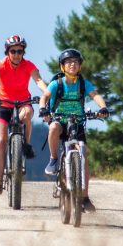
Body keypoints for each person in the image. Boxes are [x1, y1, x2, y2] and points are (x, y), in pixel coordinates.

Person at [39, 48, 109, 212]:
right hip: (60, 120)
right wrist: (43, 108)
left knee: (83, 154)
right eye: (69, 62)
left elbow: (95, 95)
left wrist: (103, 107)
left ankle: (84, 197)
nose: (73, 64)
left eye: (76, 62)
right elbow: (45, 96)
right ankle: (54, 159)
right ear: (62, 66)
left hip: (77, 122)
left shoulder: (84, 83)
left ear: (80, 65)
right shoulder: (57, 83)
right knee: (54, 127)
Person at [0, 35, 49, 194]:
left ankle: (26, 145)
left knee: (26, 116)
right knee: (0, 140)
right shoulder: (1, 65)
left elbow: (38, 80)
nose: (17, 54)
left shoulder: (28, 65)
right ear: (7, 52)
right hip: (2, 105)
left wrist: (46, 91)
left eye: (20, 51)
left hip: (23, 102)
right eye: (13, 51)